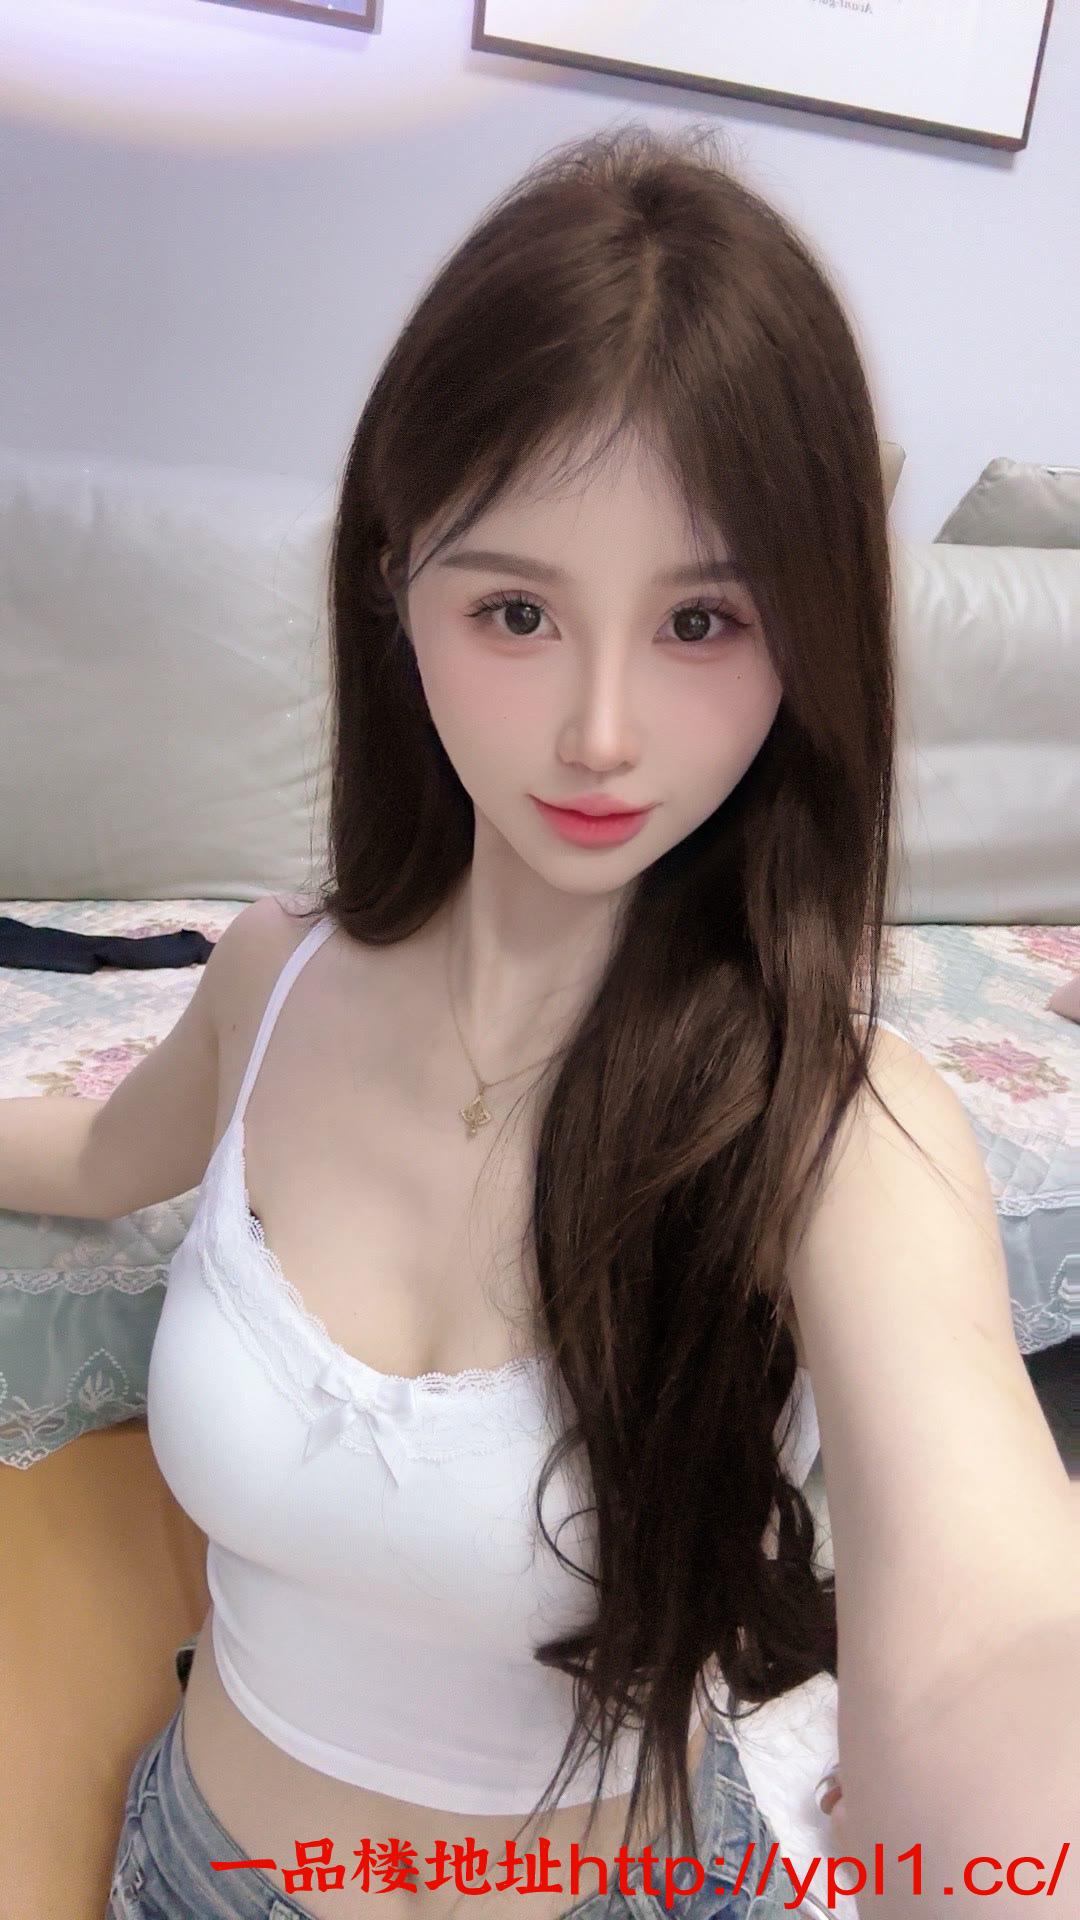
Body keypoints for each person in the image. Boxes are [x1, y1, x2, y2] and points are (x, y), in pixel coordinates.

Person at [6, 121, 1073, 1920]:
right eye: (517, 609)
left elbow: (992, 1641)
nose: (602, 733)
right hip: (198, 1874)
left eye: (703, 621)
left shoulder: (836, 1124)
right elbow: (109, 1151)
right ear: (393, 582)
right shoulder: (276, 977)